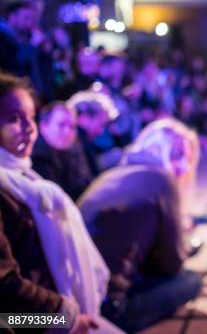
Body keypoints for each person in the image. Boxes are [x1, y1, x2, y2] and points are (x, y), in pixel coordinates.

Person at [0, 71, 120, 333]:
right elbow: (4, 305)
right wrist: (63, 318)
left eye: (30, 117)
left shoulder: (24, 177)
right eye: (13, 119)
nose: (29, 128)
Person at [78, 118, 203, 332]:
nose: (183, 166)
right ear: (157, 150)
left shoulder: (113, 173)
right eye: (176, 154)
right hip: (107, 310)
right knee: (191, 280)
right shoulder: (162, 179)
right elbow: (171, 264)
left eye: (187, 159)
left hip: (68, 302)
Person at [31, 102, 93, 202]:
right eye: (61, 125)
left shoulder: (74, 148)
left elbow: (87, 180)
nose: (68, 131)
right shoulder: (38, 158)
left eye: (72, 126)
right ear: (43, 127)